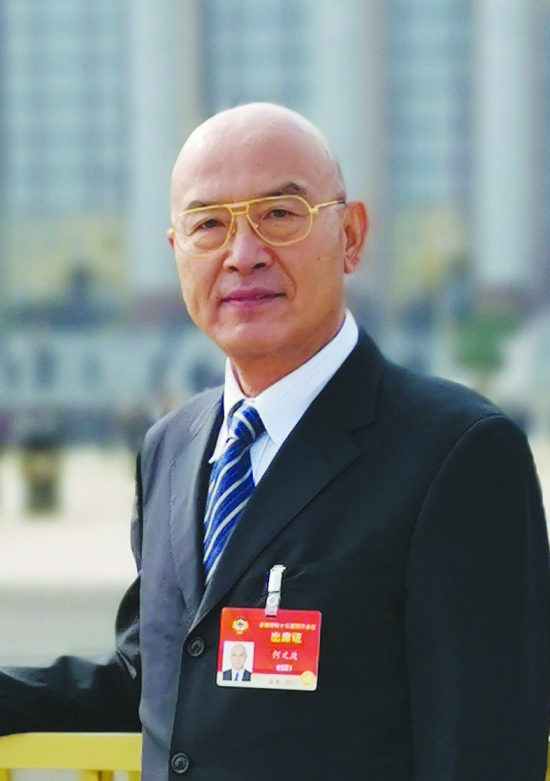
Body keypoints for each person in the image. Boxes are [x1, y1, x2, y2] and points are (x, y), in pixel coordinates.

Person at [0, 102, 548, 780]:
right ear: (177, 252)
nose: (243, 254)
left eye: (280, 214)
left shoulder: (457, 455)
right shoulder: (171, 448)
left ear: (351, 235)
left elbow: (482, 750)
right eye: (208, 224)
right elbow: (163, 680)